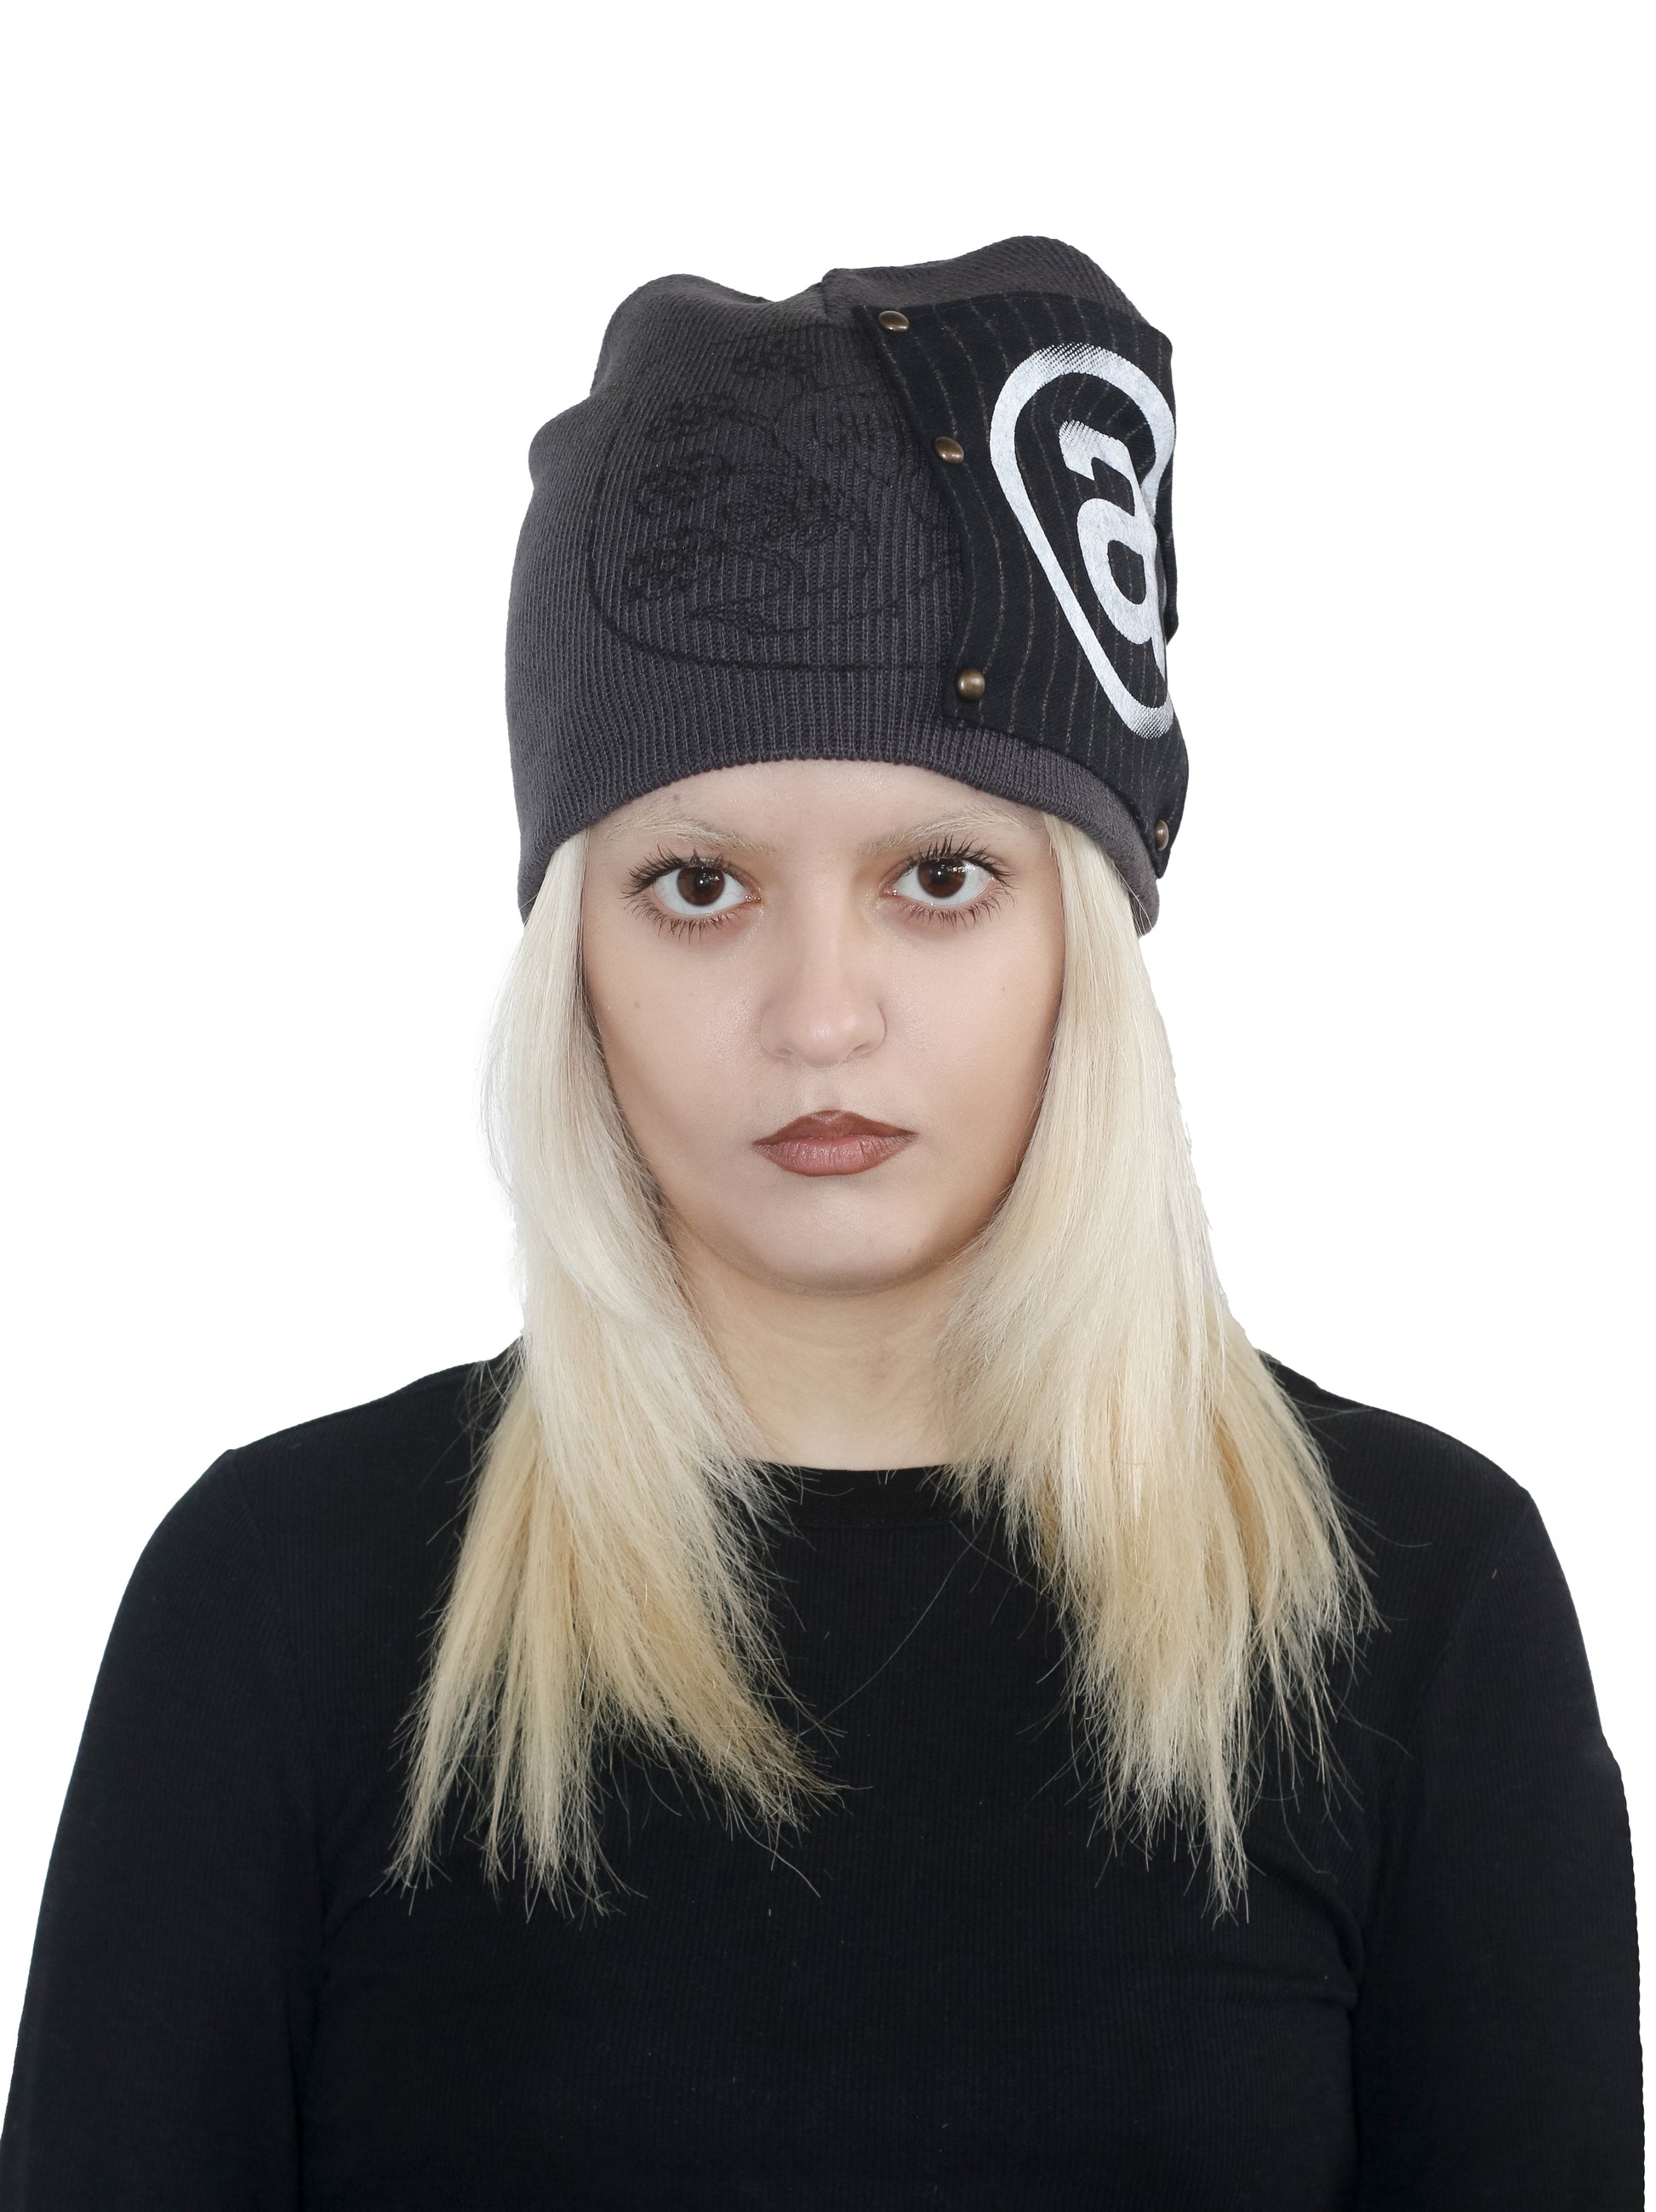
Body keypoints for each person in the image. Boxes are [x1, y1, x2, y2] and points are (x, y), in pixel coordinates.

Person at [0, 235, 1641, 2209]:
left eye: (938, 875)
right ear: (574, 953)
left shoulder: (1407, 1606)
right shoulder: (284, 1607)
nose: (820, 1014)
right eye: (698, 887)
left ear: (1080, 941)